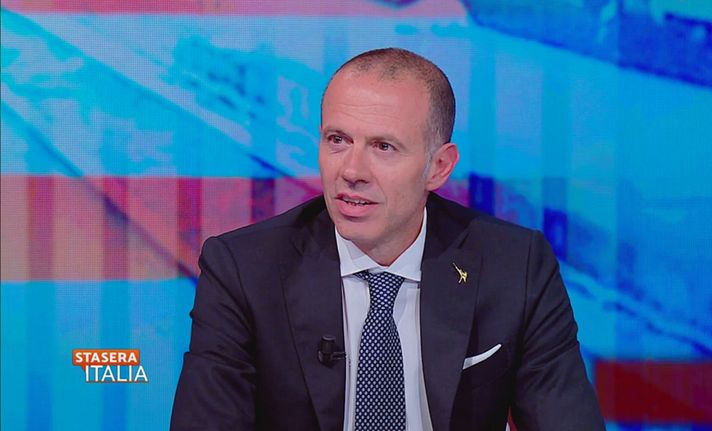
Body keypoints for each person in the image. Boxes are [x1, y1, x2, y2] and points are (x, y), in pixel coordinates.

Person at [170, 48, 605, 431]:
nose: (351, 171)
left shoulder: (514, 267)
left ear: (438, 167)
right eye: (337, 140)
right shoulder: (244, 270)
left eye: (383, 147)